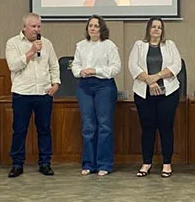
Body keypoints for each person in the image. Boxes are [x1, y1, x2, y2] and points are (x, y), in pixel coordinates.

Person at [5, 13, 61, 177]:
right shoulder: (13, 43)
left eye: (39, 26)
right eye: (33, 26)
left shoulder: (47, 44)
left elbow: (54, 65)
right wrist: (31, 51)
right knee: (19, 130)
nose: (37, 30)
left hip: (43, 93)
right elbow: (13, 65)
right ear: (24, 27)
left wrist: (56, 84)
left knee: (44, 129)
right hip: (22, 93)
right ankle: (17, 164)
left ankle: (45, 163)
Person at [129, 18, 182, 178]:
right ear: (148, 29)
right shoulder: (139, 45)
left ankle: (167, 163)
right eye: (153, 27)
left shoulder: (170, 45)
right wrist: (149, 81)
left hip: (168, 93)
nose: (156, 30)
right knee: (147, 129)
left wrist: (157, 76)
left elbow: (176, 65)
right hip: (144, 93)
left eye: (159, 27)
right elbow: (133, 66)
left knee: (166, 128)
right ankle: (146, 163)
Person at [72, 15, 121, 176]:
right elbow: (75, 65)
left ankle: (104, 164)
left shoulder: (109, 46)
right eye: (90, 26)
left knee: (104, 125)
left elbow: (115, 68)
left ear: (102, 29)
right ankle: (88, 163)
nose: (92, 28)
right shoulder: (80, 46)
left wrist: (96, 70)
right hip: (85, 86)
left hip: (104, 86)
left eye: (96, 26)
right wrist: (80, 71)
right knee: (88, 126)